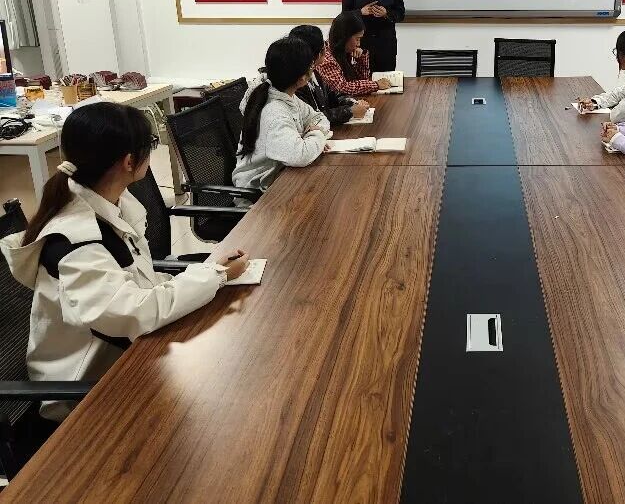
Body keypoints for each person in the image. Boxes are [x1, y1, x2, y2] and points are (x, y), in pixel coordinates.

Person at [0, 102, 249, 424]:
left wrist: (208, 273)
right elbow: (135, 312)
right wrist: (214, 275)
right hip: (86, 393)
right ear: (129, 162)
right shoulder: (77, 242)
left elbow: (138, 282)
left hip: (124, 356)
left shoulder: (109, 204)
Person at [234, 36, 332, 191]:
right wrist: (317, 134)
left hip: (280, 177)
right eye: (311, 67)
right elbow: (300, 155)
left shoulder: (285, 95)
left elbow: (319, 118)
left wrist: (310, 136)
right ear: (302, 79)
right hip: (258, 194)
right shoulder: (275, 112)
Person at [289, 24, 369, 126]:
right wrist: (349, 111)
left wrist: (353, 103)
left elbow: (333, 95)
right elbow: (313, 118)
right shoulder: (298, 82)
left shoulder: (315, 72)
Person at [318, 11, 392, 97]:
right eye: (357, 39)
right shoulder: (326, 58)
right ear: (344, 36)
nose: (359, 44)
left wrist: (361, 58)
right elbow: (342, 88)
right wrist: (376, 85)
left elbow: (363, 79)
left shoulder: (343, 51)